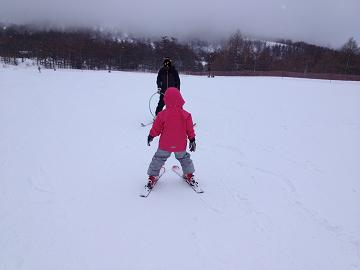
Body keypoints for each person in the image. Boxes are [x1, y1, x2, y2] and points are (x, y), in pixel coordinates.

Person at [146, 87, 196, 189]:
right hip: (180, 145)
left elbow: (156, 128)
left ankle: (152, 177)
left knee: (159, 158)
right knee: (184, 158)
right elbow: (190, 129)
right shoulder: (186, 115)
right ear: (180, 99)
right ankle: (189, 175)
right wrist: (192, 139)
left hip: (165, 144)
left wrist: (151, 136)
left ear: (166, 100)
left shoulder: (162, 114)